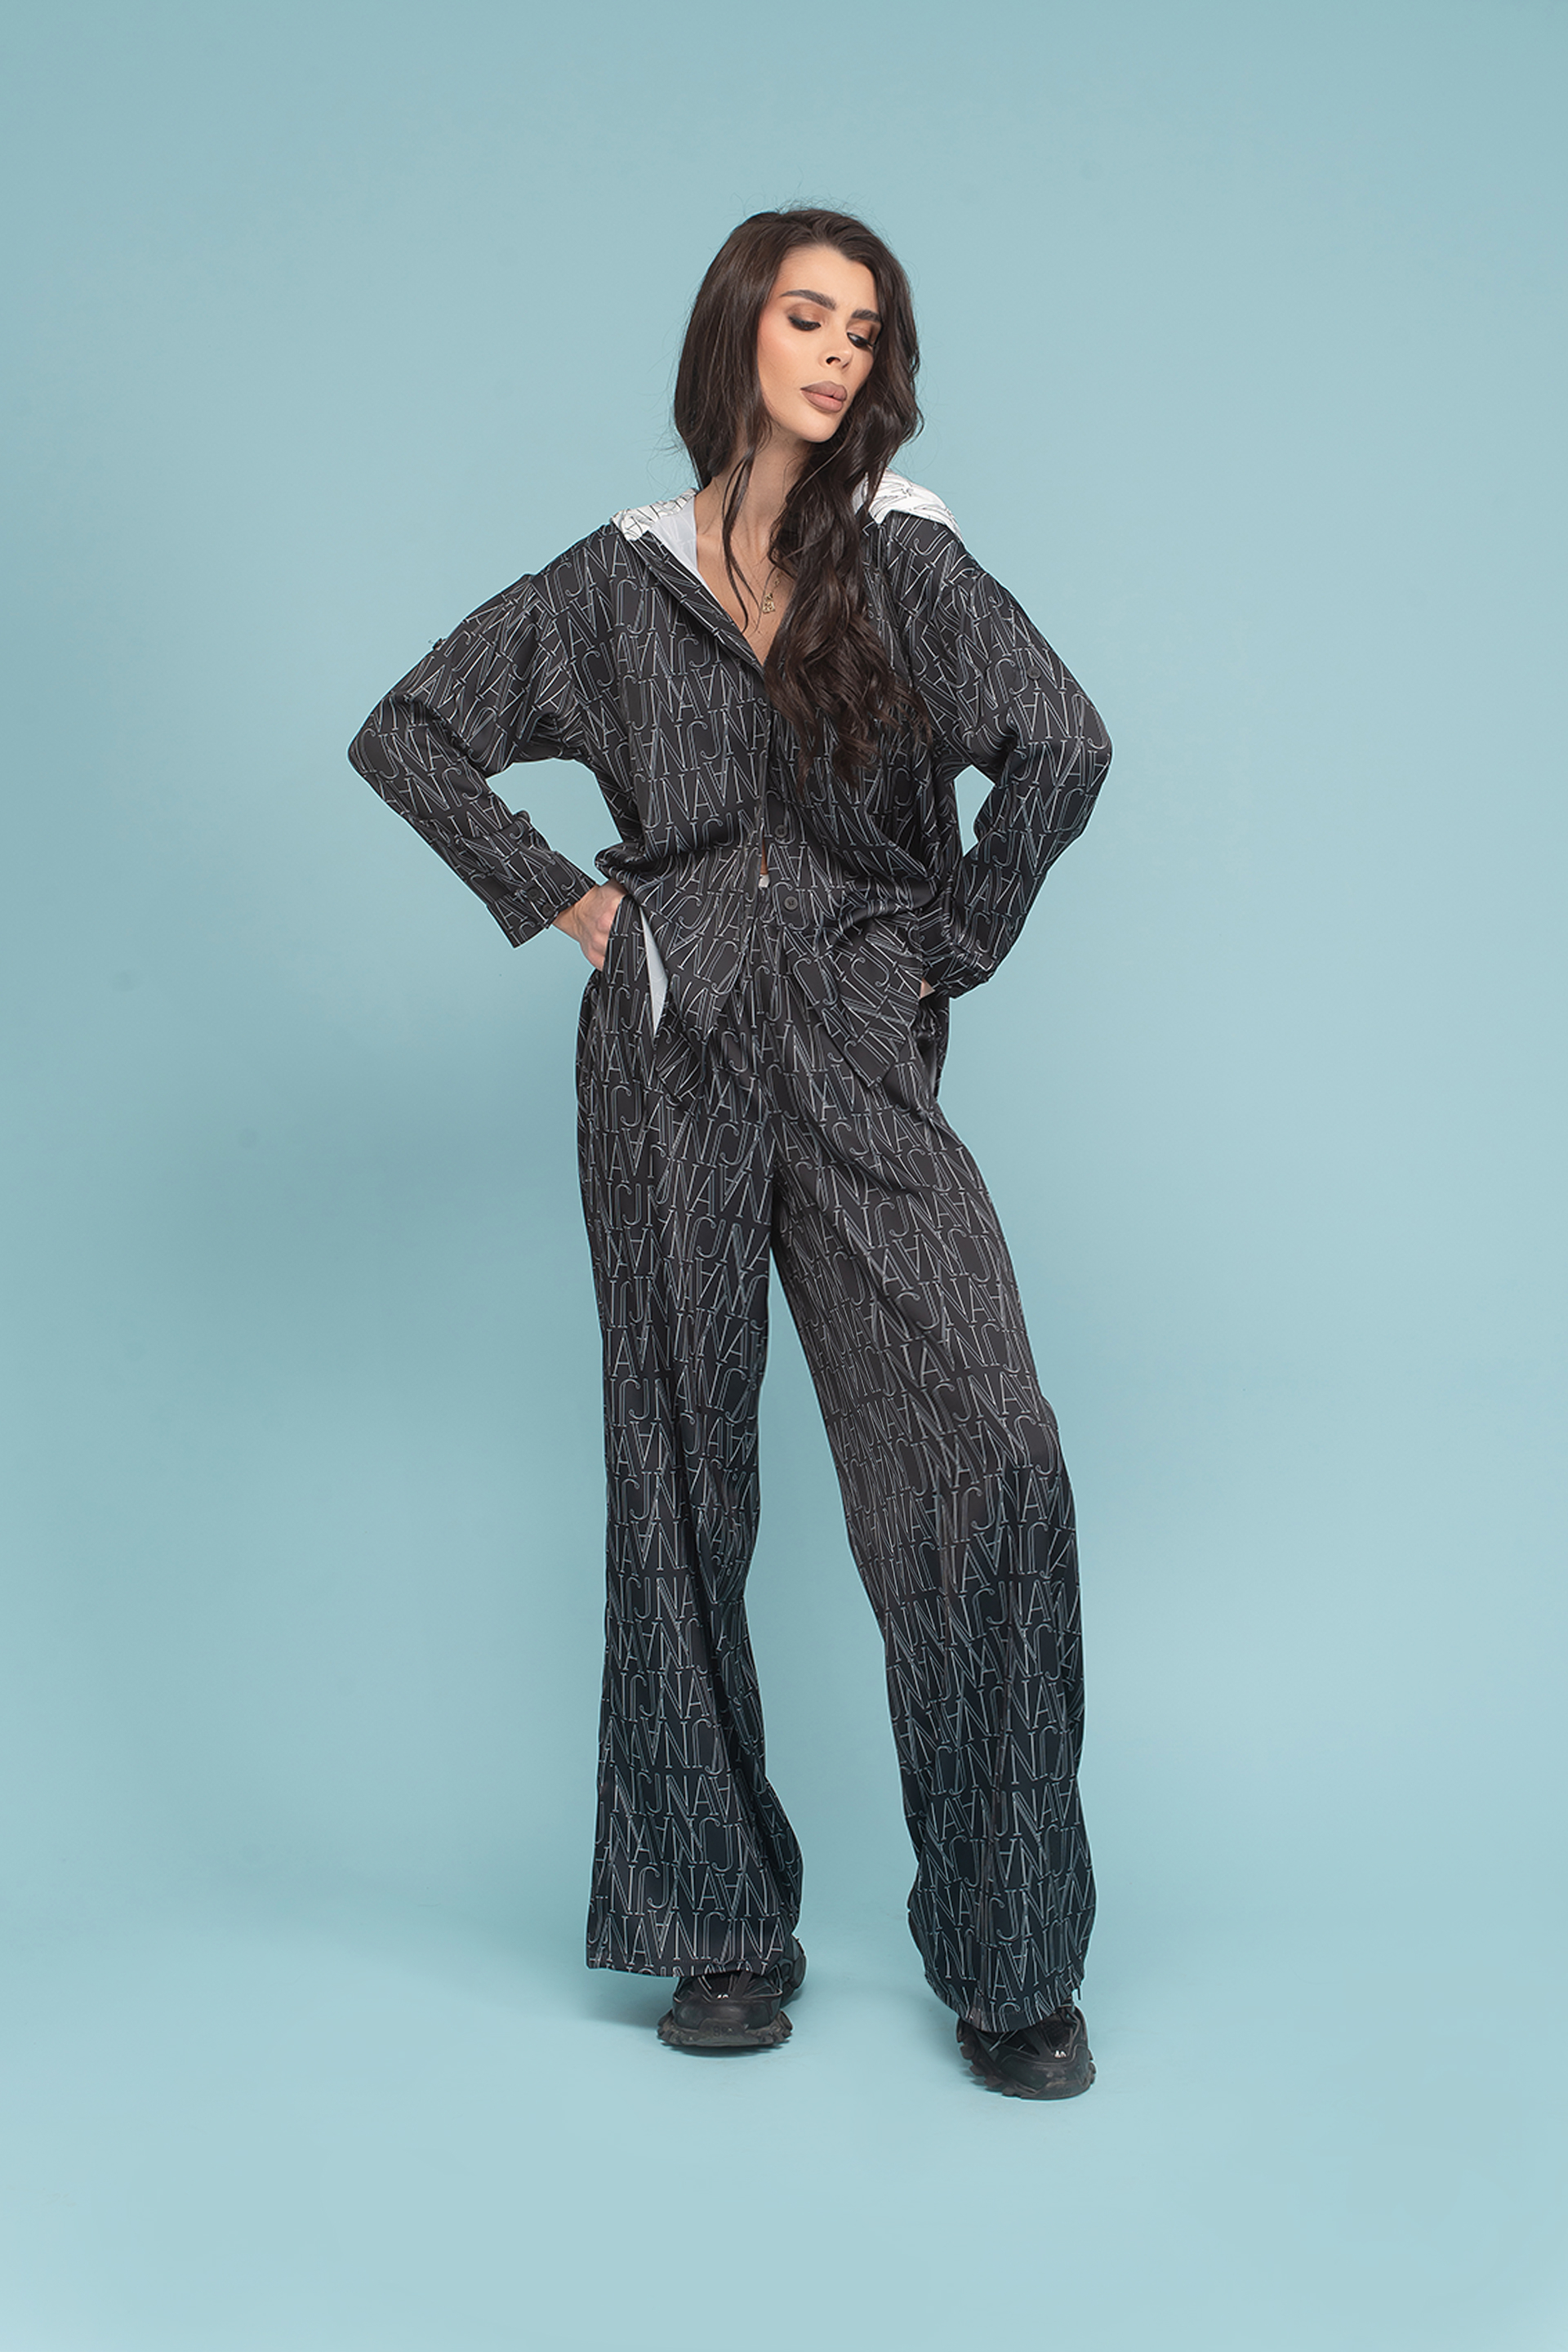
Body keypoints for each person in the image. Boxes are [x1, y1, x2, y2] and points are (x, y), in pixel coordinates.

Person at [348, 207, 1111, 2100]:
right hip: (667, 1048)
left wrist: (941, 945)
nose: (840, 354)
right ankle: (718, 1932)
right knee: (679, 1474)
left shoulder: (906, 554)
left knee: (987, 1451)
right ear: (737, 334)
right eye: (808, 317)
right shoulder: (618, 581)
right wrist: (579, 910)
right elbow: (411, 733)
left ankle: (1014, 1957)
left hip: (852, 1047)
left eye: (867, 329)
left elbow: (1063, 743)